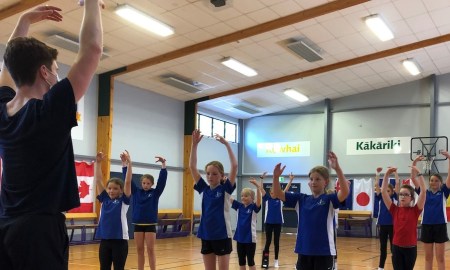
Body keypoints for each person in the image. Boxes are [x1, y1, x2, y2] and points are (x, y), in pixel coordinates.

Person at [0, 2, 103, 269]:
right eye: (56, 70)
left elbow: (8, 70)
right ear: (44, 73)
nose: (58, 75)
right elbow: (92, 50)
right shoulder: (49, 112)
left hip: (5, 226)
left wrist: (23, 20)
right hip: (39, 231)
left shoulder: (3, 112)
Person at [272, 152, 350, 270]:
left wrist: (337, 169)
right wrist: (275, 177)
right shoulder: (301, 199)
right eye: (311, 179)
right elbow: (278, 193)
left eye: (318, 179)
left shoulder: (329, 199)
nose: (314, 182)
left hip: (324, 252)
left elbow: (344, 192)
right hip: (304, 250)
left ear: (326, 182)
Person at [189, 129, 238, 270]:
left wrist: (227, 145)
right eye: (208, 173)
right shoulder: (203, 189)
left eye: (214, 174)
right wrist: (194, 145)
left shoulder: (225, 190)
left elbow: (234, 166)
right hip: (206, 234)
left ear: (222, 175)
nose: (210, 176)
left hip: (222, 235)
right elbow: (192, 166)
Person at [123, 155, 167, 270]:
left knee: (150, 250)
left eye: (148, 183)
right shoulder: (136, 192)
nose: (146, 185)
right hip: (138, 224)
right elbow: (127, 180)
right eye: (144, 183)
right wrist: (124, 165)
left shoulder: (155, 193)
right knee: (139, 250)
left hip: (150, 225)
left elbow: (162, 182)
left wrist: (163, 166)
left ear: (151, 184)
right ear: (141, 183)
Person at [410, 152, 450, 270]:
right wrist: (415, 162)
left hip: (440, 226)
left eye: (436, 181)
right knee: (428, 258)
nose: (433, 182)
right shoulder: (424, 193)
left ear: (440, 183)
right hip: (426, 226)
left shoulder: (444, 192)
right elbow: (413, 178)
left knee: (440, 258)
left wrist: (449, 157)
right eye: (431, 180)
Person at [381, 166, 426, 270]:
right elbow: (383, 191)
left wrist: (419, 173)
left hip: (411, 249)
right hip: (396, 248)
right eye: (401, 194)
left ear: (411, 198)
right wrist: (387, 174)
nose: (403, 196)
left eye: (406, 194)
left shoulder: (415, 210)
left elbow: (423, 191)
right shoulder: (394, 209)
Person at [95, 151, 132, 270]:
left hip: (120, 241)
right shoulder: (104, 199)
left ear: (121, 190)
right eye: (109, 188)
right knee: (104, 267)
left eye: (115, 189)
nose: (111, 191)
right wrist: (98, 163)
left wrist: (128, 163)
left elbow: (127, 182)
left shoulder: (123, 201)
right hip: (105, 240)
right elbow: (98, 180)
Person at [260, 172, 293, 268]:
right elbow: (261, 188)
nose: (274, 194)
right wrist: (261, 178)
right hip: (269, 223)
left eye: (276, 192)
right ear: (270, 193)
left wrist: (290, 180)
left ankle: (276, 260)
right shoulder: (266, 198)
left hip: (278, 223)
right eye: (273, 192)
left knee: (276, 242)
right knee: (268, 242)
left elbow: (286, 189)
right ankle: (265, 260)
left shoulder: (280, 199)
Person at [230, 178, 262, 270]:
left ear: (252, 198)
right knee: (241, 261)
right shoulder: (239, 206)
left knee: (250, 261)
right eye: (242, 196)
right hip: (240, 238)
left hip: (250, 239)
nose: (243, 197)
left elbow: (259, 201)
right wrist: (224, 184)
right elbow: (228, 197)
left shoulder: (253, 208)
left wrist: (257, 186)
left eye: (246, 196)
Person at [374, 167, 399, 270]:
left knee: (394, 248)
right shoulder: (381, 197)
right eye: (386, 190)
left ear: (392, 192)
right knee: (382, 248)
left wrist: (395, 173)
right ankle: (381, 267)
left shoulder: (395, 198)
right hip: (383, 225)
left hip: (393, 225)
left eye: (389, 191)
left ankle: (396, 267)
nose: (387, 192)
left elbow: (397, 184)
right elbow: (377, 185)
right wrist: (378, 174)